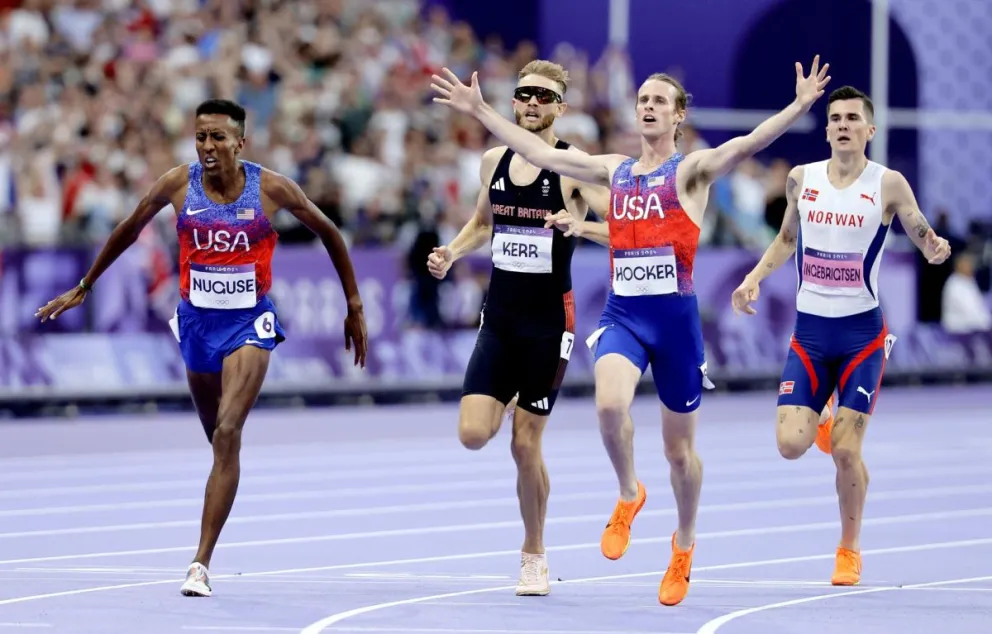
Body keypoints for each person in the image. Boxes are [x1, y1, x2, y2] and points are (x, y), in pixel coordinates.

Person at [431, 57, 832, 606]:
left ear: (678, 115)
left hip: (675, 324)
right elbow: (540, 154)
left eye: (659, 101)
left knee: (679, 454)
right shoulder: (613, 171)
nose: (647, 106)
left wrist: (800, 106)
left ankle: (684, 542)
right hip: (623, 315)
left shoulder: (691, 172)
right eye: (642, 99)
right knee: (609, 406)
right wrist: (479, 110)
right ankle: (628, 492)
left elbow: (748, 144)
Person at [35, 99, 368, 597]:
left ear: (240, 142)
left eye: (217, 137)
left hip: (249, 322)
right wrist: (84, 285)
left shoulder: (271, 188)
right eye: (200, 137)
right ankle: (221, 500)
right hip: (196, 324)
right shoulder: (177, 184)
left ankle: (200, 562)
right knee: (217, 440)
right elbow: (129, 228)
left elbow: (330, 233)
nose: (207, 147)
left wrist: (354, 303)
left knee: (229, 432)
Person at [730, 85, 952, 586]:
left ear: (869, 130)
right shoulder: (801, 179)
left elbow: (922, 234)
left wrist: (934, 247)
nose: (844, 125)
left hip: (861, 338)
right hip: (810, 334)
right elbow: (787, 239)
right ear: (827, 129)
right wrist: (753, 279)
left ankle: (848, 549)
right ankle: (825, 417)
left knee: (847, 452)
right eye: (836, 118)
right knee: (790, 445)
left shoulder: (888, 184)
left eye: (853, 118)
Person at [426, 59, 609, 597]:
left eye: (543, 97)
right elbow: (483, 223)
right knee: (472, 435)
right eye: (524, 94)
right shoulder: (493, 161)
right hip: (500, 319)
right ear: (513, 102)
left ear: (561, 108)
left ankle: (534, 554)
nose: (532, 102)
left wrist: (581, 226)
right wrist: (452, 252)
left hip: (549, 325)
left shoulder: (575, 167)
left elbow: (625, 227)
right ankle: (509, 399)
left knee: (525, 445)